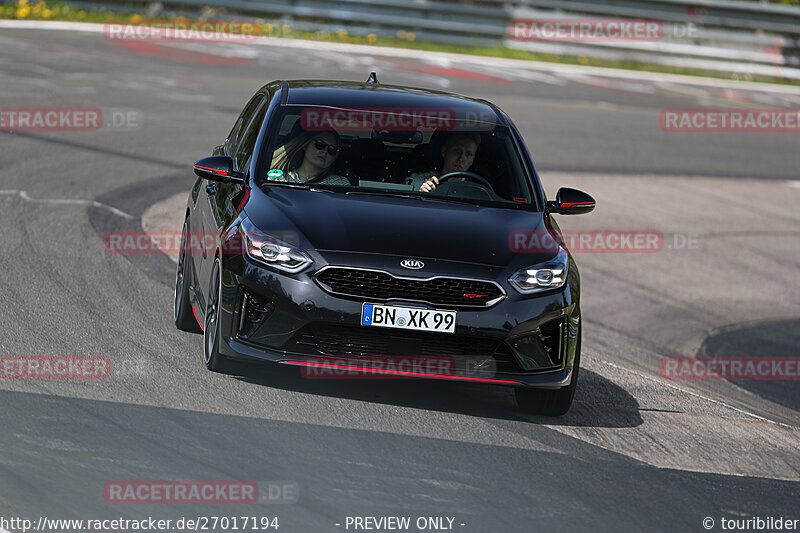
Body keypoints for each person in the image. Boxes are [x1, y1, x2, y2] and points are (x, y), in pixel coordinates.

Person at [405, 132, 482, 192]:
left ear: (472, 160)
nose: (461, 158)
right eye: (457, 151)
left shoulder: (477, 190)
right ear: (444, 151)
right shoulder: (418, 181)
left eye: (468, 154)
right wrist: (420, 195)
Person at [268, 129, 350, 185]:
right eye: (320, 145)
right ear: (305, 145)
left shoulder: (340, 183)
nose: (325, 151)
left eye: (332, 150)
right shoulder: (277, 177)